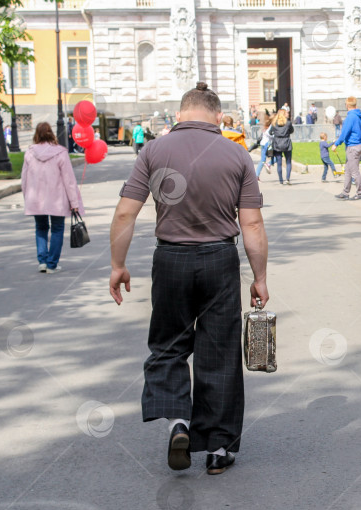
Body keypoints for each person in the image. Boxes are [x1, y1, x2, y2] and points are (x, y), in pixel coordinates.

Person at [108, 82, 268, 476]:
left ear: (180, 114)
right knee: (220, 352)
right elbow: (251, 223)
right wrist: (260, 277)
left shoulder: (153, 150)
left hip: (171, 260)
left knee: (168, 346)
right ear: (217, 116)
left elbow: (126, 213)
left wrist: (118, 264)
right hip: (219, 260)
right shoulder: (236, 154)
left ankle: (178, 421)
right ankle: (217, 447)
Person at [21, 122, 84, 274]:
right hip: (57, 200)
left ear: (36, 134)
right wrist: (74, 202)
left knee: (41, 228)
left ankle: (42, 261)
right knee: (57, 229)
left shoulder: (29, 153)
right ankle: (51, 264)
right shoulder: (60, 153)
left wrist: (27, 198)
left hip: (36, 199)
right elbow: (68, 180)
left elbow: (24, 179)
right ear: (51, 134)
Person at [331, 96, 361, 200]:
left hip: (352, 146)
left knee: (354, 171)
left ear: (347, 105)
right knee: (348, 170)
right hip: (359, 145)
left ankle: (360, 192)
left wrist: (336, 144)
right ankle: (345, 192)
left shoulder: (350, 117)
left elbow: (344, 133)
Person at [270, 109, 294, 185]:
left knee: (279, 163)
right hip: (286, 142)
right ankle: (287, 178)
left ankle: (281, 180)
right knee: (288, 162)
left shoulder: (274, 123)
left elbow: (270, 132)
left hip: (277, 143)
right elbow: (291, 131)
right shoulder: (288, 123)